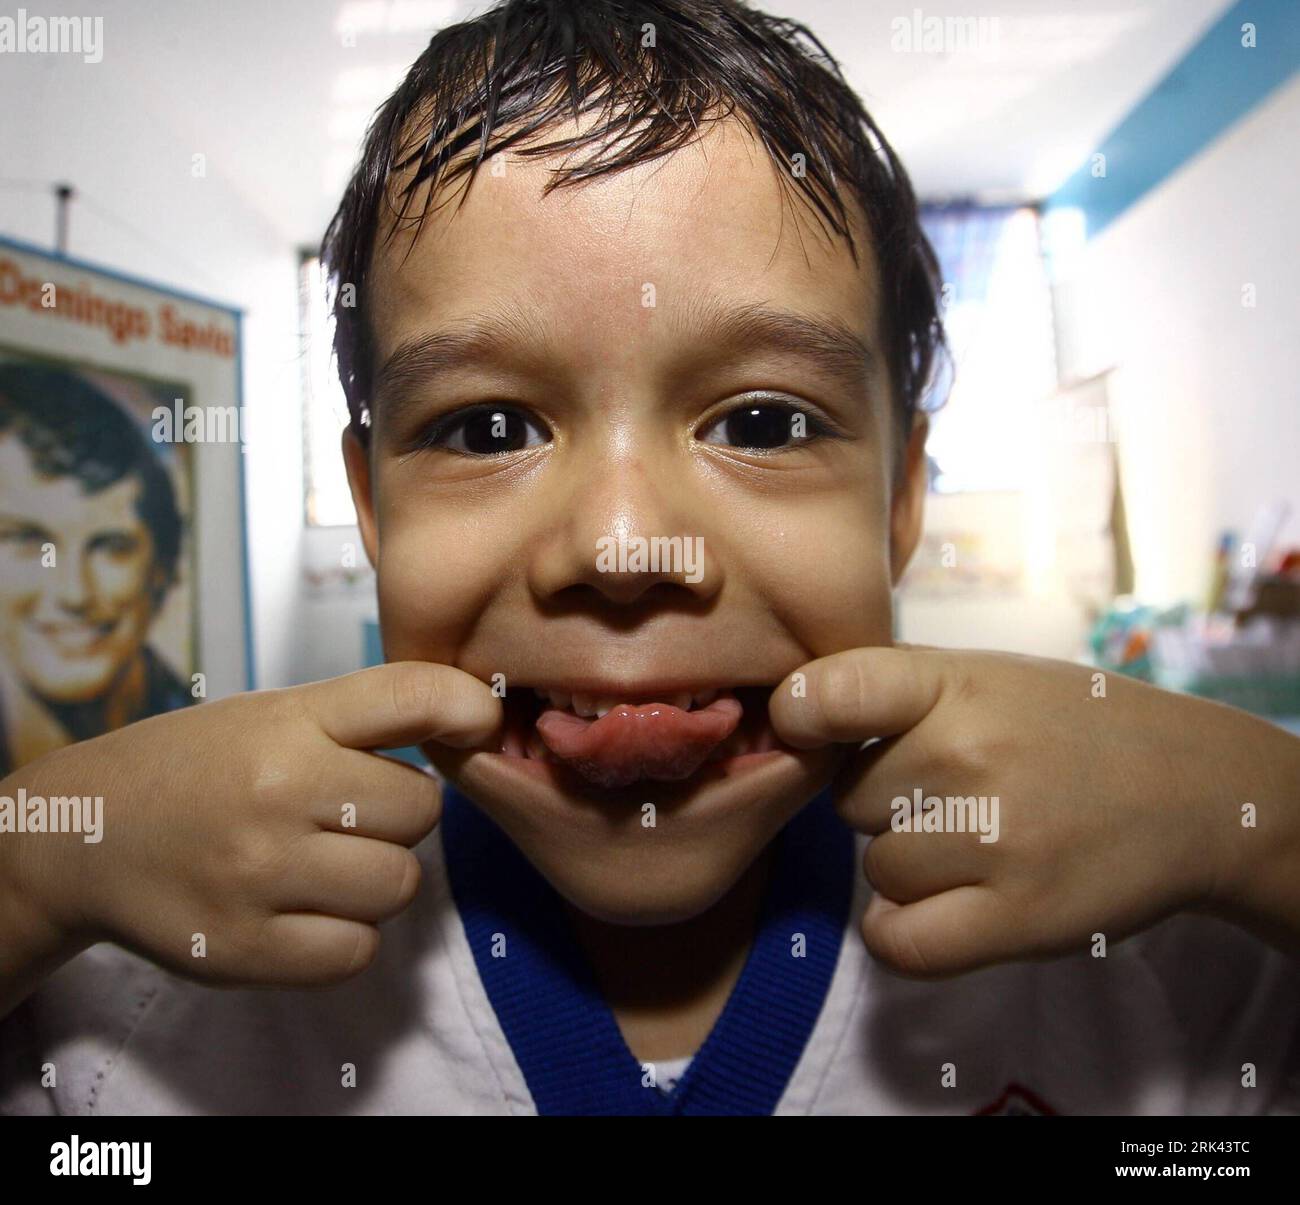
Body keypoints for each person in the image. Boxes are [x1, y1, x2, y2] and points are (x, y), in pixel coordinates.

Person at [1, 0, 1297, 1115]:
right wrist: (38, 866)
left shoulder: (1166, 960)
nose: (624, 548)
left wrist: (1260, 817)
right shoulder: (135, 996)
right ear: (374, 513)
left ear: (903, 495)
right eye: (488, 426)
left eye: (765, 422)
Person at [0, 363, 191, 780]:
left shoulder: (207, 753)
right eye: (28, 540)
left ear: (161, 569)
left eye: (111, 547)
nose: (73, 593)